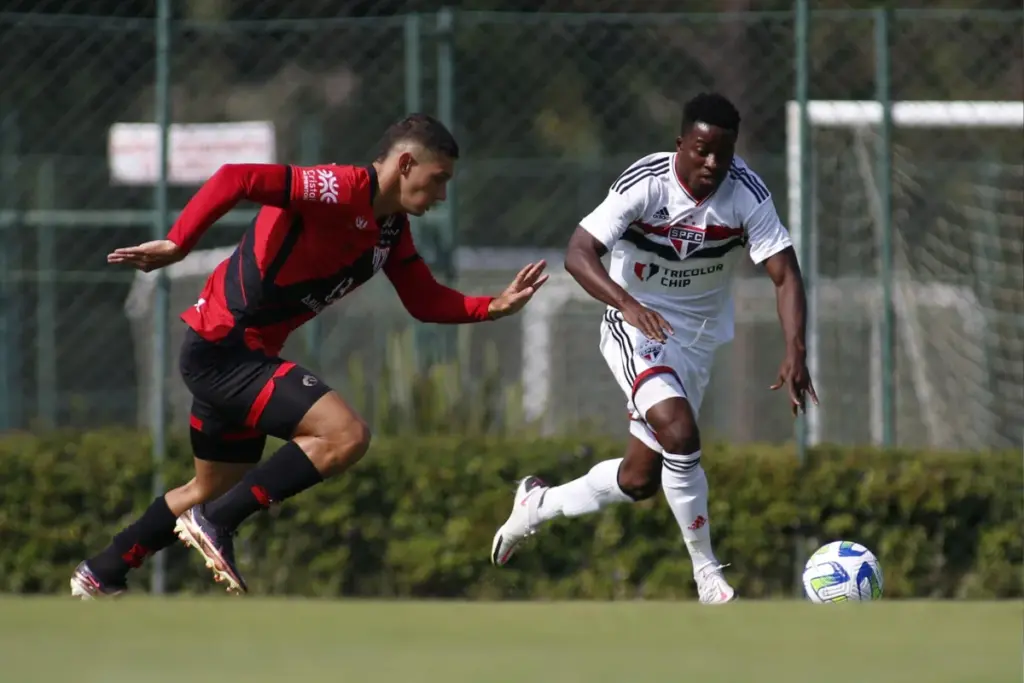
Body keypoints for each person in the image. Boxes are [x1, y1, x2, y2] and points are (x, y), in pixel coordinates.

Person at [71, 113, 548, 598]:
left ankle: (103, 570)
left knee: (209, 485)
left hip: (232, 354)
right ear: (405, 164)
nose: (442, 194)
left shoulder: (390, 229)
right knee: (345, 436)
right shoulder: (339, 188)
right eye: (438, 179)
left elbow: (423, 299)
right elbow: (237, 178)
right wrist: (178, 242)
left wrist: (493, 307)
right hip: (226, 345)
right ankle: (216, 524)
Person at [490, 92, 816, 604]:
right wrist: (627, 305)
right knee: (681, 433)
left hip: (699, 340)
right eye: (702, 149)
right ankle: (707, 574)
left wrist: (795, 349)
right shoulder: (644, 183)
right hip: (635, 324)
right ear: (680, 143)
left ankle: (538, 504)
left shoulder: (747, 194)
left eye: (723, 154)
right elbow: (579, 253)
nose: (712, 163)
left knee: (640, 479)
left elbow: (785, 274)